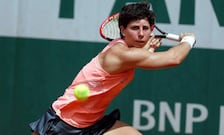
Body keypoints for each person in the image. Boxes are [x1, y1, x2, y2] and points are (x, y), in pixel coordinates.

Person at [29, 2, 196, 135]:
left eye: (145, 29)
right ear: (122, 30)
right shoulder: (119, 53)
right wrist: (188, 40)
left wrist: (148, 50)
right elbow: (174, 58)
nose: (141, 34)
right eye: (135, 28)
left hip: (93, 123)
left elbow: (136, 59)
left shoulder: (128, 50)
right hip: (63, 124)